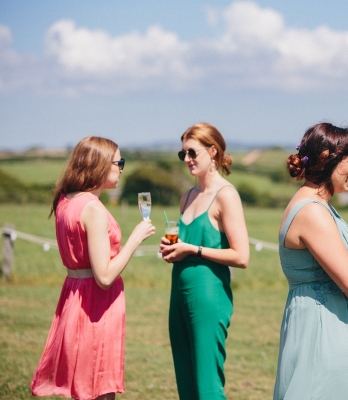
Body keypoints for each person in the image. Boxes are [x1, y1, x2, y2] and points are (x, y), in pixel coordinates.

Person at [30, 136, 156, 400]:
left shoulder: (65, 201)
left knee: (82, 386)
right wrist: (136, 238)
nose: (121, 169)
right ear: (100, 164)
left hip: (74, 298)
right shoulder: (93, 209)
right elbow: (105, 276)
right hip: (96, 306)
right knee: (98, 387)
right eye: (119, 162)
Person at [273, 122, 348, 400]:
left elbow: (347, 253)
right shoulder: (312, 212)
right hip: (320, 329)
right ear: (326, 160)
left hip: (331, 325)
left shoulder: (321, 206)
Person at [159, 122, 249, 400]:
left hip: (209, 298)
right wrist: (172, 249)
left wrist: (191, 249)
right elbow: (184, 245)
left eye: (192, 152)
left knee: (208, 385)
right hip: (179, 294)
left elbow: (241, 256)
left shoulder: (226, 195)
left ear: (213, 152)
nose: (187, 159)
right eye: (183, 154)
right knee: (186, 382)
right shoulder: (187, 196)